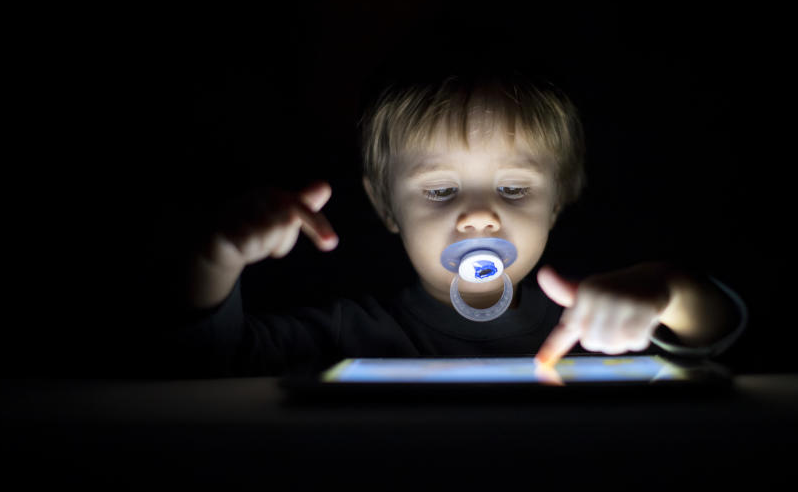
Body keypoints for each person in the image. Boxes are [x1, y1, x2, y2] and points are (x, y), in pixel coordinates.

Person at [163, 66, 747, 377]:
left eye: (514, 188)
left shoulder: (597, 331)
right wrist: (213, 258)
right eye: (440, 189)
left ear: (561, 198)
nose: (477, 215)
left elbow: (723, 339)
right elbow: (204, 368)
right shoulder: (347, 338)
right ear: (387, 207)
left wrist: (665, 292)